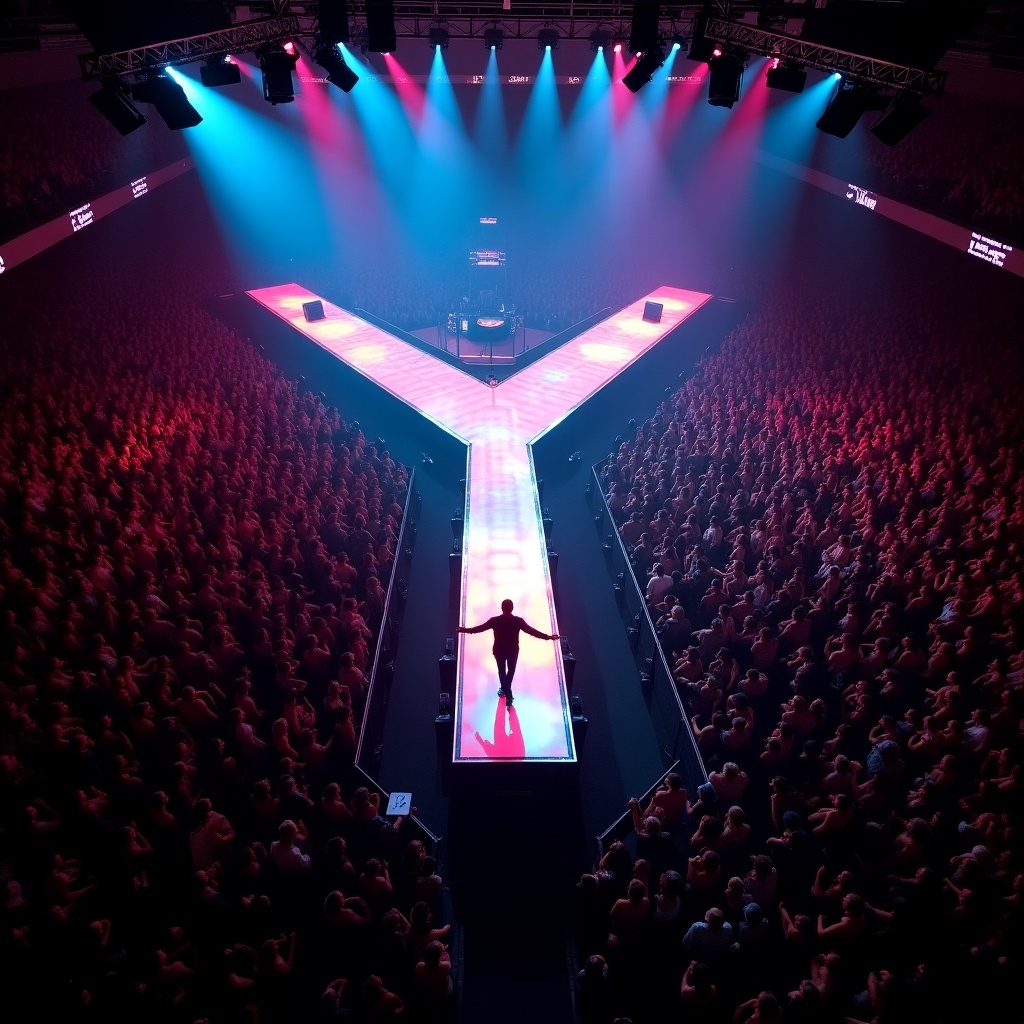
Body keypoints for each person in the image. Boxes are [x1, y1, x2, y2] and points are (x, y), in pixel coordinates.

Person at [458, 598, 559, 706]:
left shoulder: (495, 620)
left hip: (499, 650)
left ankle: (505, 691)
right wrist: (547, 637)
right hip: (512, 650)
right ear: (512, 608)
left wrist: (464, 630)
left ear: (502, 608)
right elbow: (532, 631)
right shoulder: (518, 621)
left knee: (502, 671)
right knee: (510, 672)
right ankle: (507, 692)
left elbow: (479, 628)